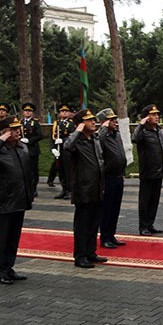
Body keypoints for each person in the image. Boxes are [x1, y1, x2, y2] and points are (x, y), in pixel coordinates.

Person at [0, 114, 34, 284]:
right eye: (13, 129)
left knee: (13, 238)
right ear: (4, 132)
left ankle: (9, 268)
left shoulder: (22, 147)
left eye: (18, 128)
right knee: (2, 239)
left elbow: (28, 173)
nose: (18, 131)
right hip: (5, 199)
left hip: (20, 198)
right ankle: (0, 272)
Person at [63, 108, 107, 269]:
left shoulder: (94, 139)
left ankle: (90, 252)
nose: (93, 122)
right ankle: (80, 256)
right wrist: (77, 132)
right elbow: (66, 147)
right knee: (82, 225)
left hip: (97, 187)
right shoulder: (75, 141)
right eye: (88, 120)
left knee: (94, 223)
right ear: (80, 124)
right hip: (83, 188)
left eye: (93, 119)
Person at [132, 104, 163, 235]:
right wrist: (140, 125)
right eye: (153, 114)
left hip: (159, 171)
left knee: (154, 200)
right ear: (146, 117)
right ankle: (143, 226)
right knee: (145, 201)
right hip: (147, 171)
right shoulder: (143, 132)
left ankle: (150, 224)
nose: (157, 117)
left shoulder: (160, 130)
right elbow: (134, 138)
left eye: (157, 114)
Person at [96, 108, 127, 249]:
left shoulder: (116, 134)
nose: (115, 121)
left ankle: (111, 235)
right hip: (107, 177)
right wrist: (102, 129)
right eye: (111, 119)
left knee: (115, 208)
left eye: (114, 119)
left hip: (118, 176)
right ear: (104, 122)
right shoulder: (101, 136)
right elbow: (98, 145)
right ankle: (104, 237)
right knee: (107, 209)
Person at [49, 104, 74, 198]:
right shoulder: (57, 123)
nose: (64, 113)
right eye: (62, 111)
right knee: (60, 171)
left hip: (66, 150)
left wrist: (63, 141)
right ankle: (64, 189)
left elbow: (72, 136)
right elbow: (52, 138)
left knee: (68, 171)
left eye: (66, 111)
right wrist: (53, 148)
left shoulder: (71, 124)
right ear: (59, 113)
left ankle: (70, 190)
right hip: (58, 151)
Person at [20, 102, 43, 197]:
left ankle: (33, 189)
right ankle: (25, 188)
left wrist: (29, 141)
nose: (27, 113)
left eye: (29, 111)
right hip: (22, 149)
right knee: (23, 169)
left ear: (32, 113)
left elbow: (40, 135)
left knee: (33, 170)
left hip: (32, 149)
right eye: (26, 111)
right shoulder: (20, 122)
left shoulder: (35, 123)